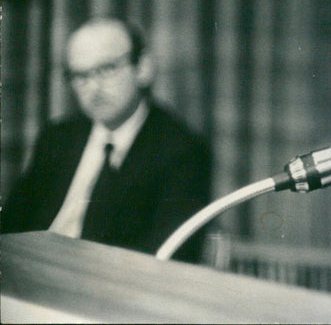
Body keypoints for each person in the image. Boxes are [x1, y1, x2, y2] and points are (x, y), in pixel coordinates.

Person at [2, 17, 212, 263]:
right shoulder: (57, 137)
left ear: (142, 67)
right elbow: (10, 227)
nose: (93, 87)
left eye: (107, 69)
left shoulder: (182, 151)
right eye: (80, 75)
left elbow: (167, 255)